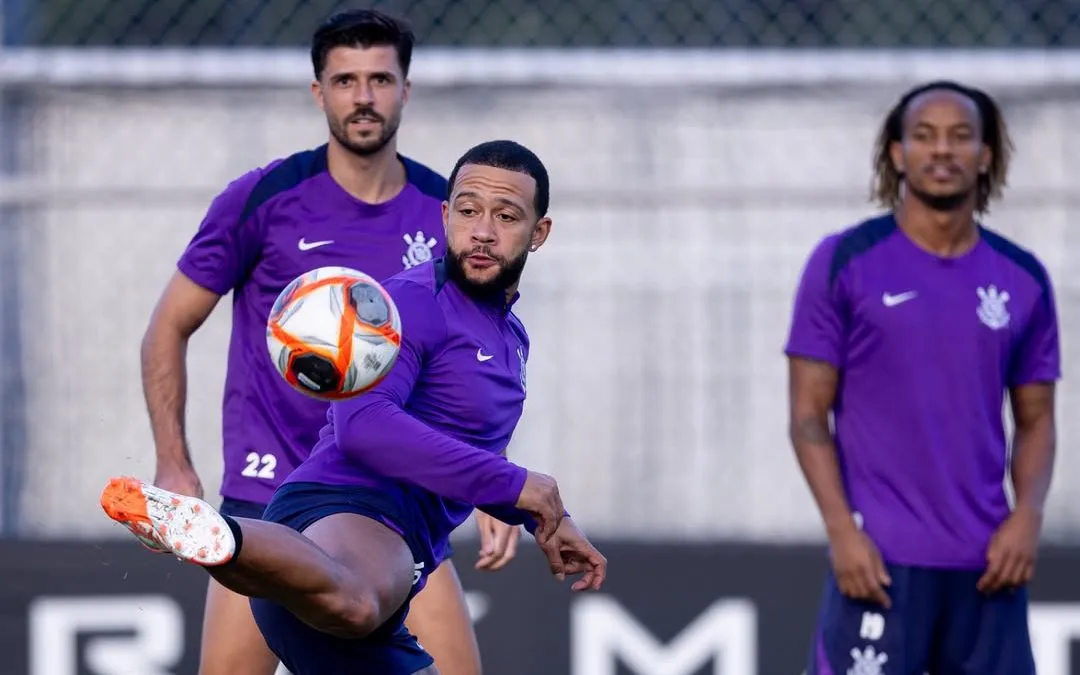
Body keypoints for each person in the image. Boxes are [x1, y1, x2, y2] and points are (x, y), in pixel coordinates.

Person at [104, 138, 607, 675]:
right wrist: (515, 485)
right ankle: (215, 534)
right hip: (342, 515)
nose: (482, 230)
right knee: (355, 600)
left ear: (539, 233)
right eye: (467, 210)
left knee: (368, 609)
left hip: (400, 558)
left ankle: (229, 541)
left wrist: (543, 516)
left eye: (506, 216)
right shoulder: (409, 304)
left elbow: (466, 444)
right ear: (444, 215)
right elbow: (362, 426)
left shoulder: (511, 337)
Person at [138, 10, 518, 675]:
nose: (363, 97)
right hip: (269, 495)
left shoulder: (446, 211)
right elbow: (167, 326)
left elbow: (472, 359)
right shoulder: (264, 198)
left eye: (380, 78)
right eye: (345, 80)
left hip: (389, 508)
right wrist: (174, 462)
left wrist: (492, 480)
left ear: (406, 88)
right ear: (319, 92)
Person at [785, 80, 1059, 675]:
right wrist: (842, 533)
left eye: (961, 137)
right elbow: (808, 418)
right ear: (897, 152)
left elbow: (1037, 419)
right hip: (881, 564)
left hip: (989, 566)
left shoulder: (1023, 277)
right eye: (925, 136)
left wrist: (1028, 516)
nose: (942, 150)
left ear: (986, 155)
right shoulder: (844, 261)